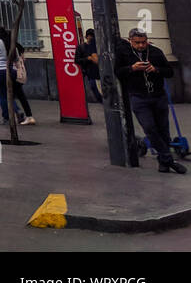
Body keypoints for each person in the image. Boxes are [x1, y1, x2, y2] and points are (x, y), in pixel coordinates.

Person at [116, 28, 185, 174]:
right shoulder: (124, 53)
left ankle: (163, 163)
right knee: (149, 127)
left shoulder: (155, 52)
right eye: (137, 43)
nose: (141, 45)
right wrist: (132, 68)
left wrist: (156, 69)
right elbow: (118, 72)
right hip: (138, 97)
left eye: (143, 42)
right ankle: (169, 159)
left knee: (163, 130)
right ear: (130, 41)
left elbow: (170, 72)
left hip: (158, 96)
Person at [0, 26, 32, 125]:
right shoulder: (11, 43)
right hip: (12, 70)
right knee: (12, 94)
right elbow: (16, 58)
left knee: (3, 95)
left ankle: (8, 116)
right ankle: (20, 112)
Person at [76, 29, 102, 103]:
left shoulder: (97, 46)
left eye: (92, 36)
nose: (91, 38)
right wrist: (87, 59)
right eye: (89, 36)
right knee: (94, 87)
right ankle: (101, 101)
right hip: (90, 71)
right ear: (86, 37)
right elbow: (77, 60)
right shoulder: (81, 47)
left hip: (98, 71)